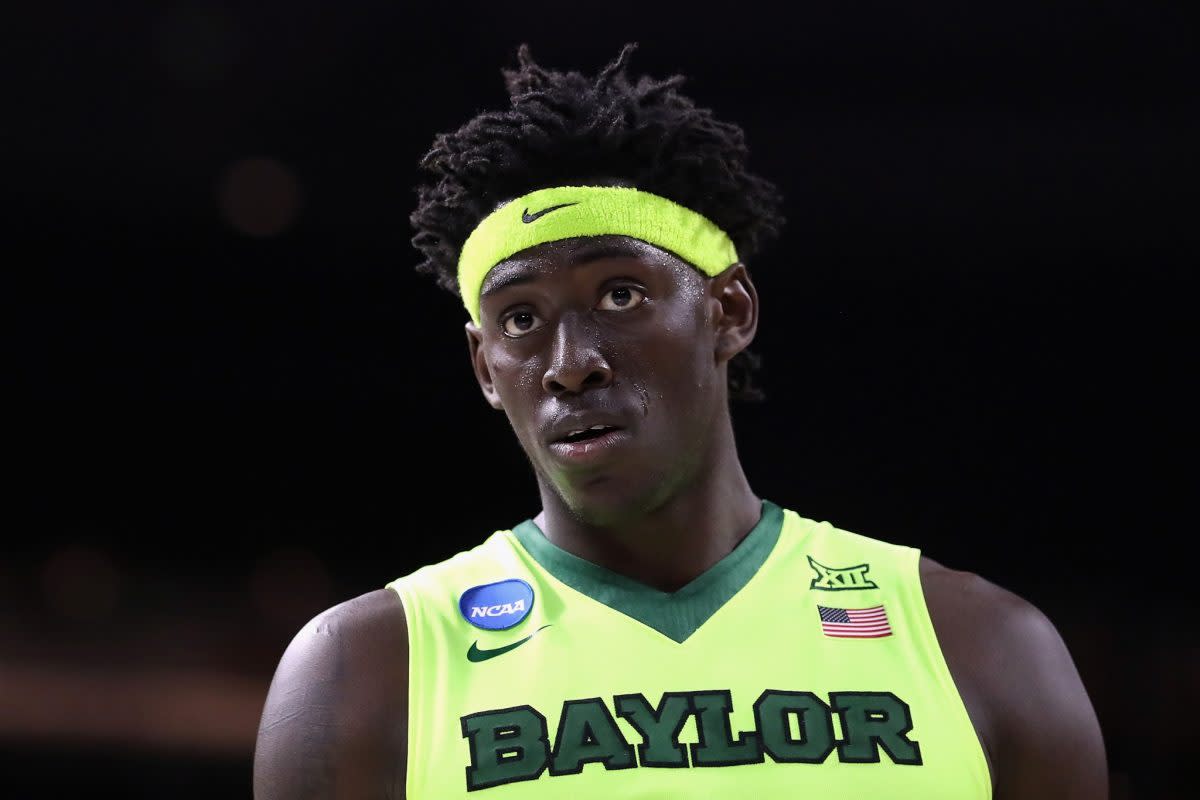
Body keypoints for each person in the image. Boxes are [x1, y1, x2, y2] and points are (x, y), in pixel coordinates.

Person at [253, 42, 1107, 799]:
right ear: (485, 367)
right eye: (521, 319)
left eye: (619, 294)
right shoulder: (367, 672)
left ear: (729, 311)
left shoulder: (981, 648)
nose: (569, 360)